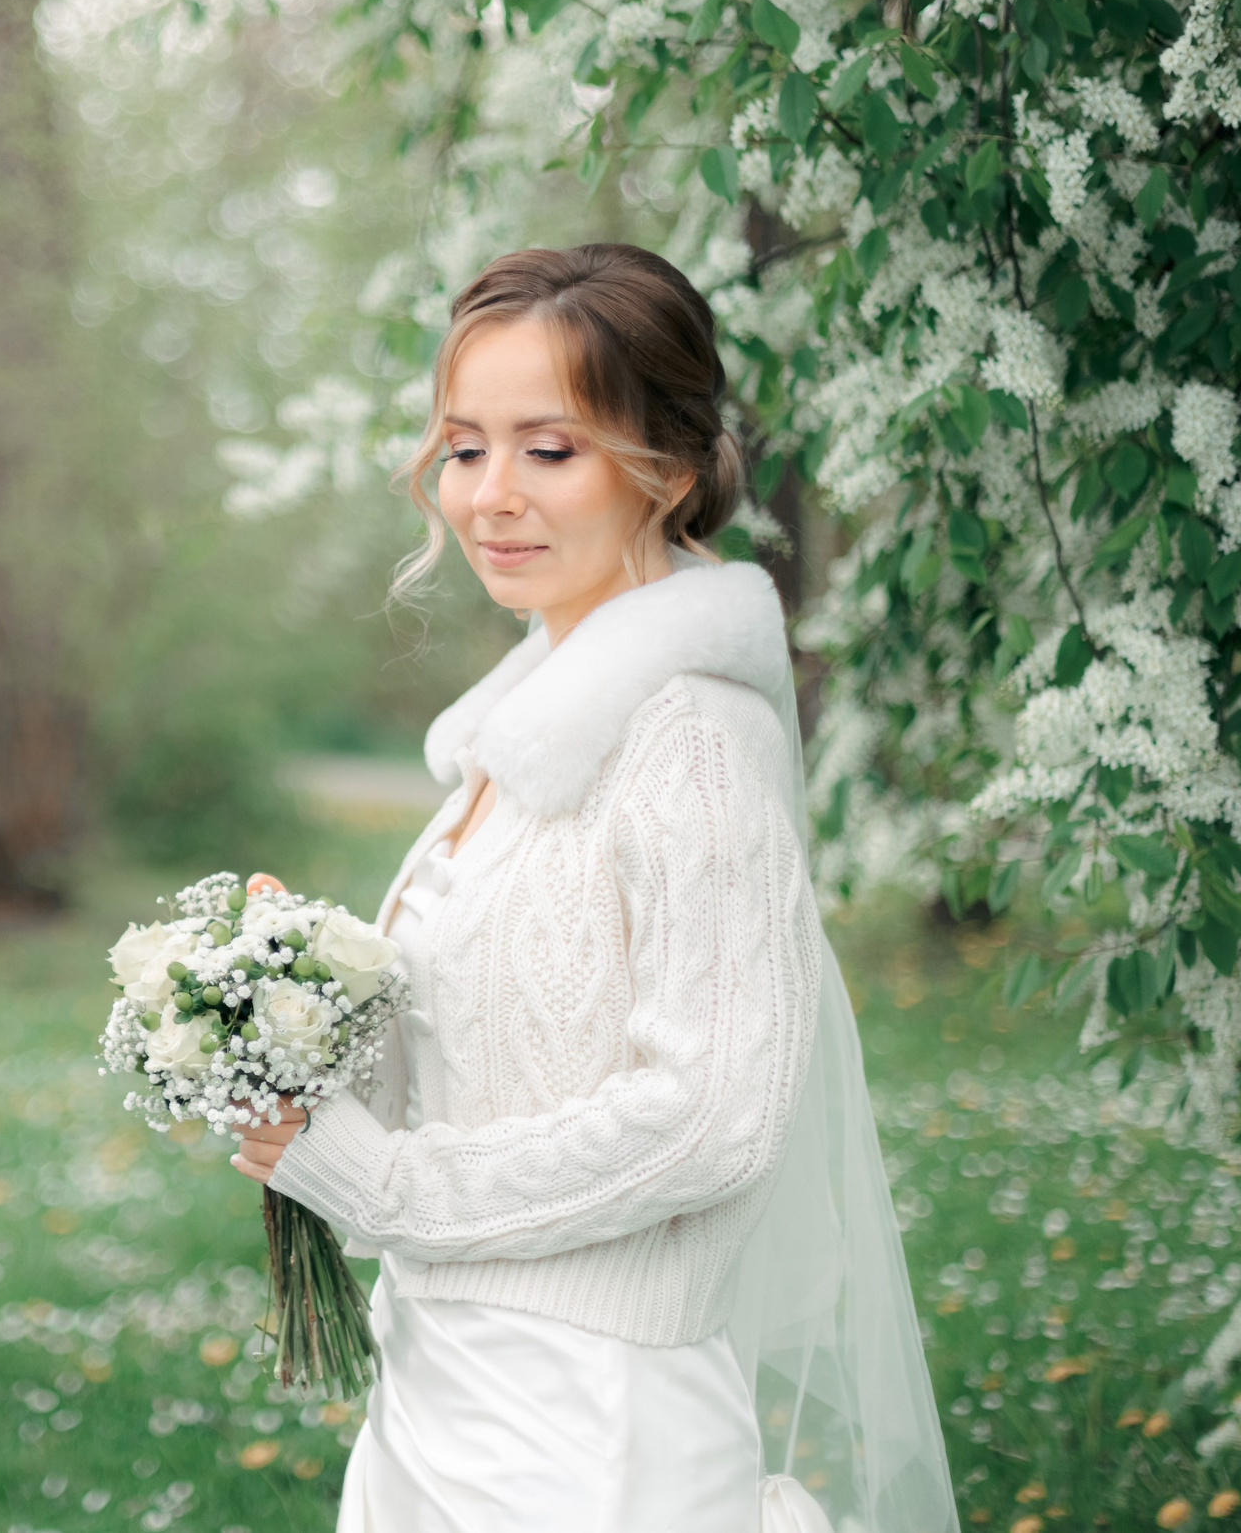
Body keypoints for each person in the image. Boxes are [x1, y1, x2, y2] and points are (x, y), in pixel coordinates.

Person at [228, 245, 958, 1533]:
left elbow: (710, 1119)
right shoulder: (508, 747)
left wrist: (383, 1190)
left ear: (666, 471)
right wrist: (282, 1025)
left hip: (593, 1433)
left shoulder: (687, 742)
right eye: (463, 448)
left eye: (547, 449)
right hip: (439, 1396)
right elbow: (493, 1064)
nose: (490, 496)